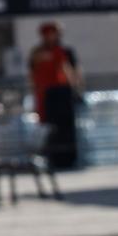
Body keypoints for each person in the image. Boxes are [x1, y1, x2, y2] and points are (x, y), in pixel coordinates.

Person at [28, 21, 82, 170]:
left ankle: (69, 159)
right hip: (47, 96)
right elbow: (33, 72)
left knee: (67, 128)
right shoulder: (37, 53)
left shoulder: (65, 52)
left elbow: (73, 72)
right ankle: (52, 158)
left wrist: (77, 90)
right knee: (49, 129)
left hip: (63, 95)